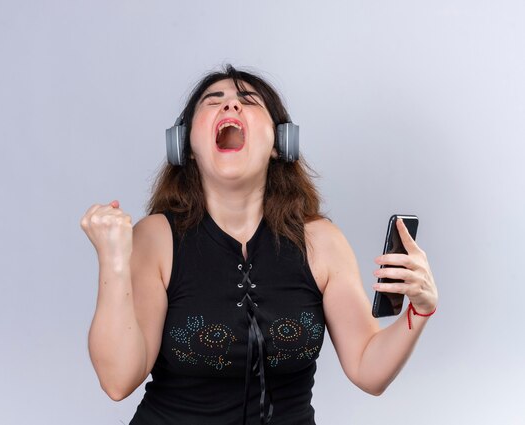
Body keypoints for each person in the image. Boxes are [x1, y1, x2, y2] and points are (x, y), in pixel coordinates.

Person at [80, 65, 438, 425]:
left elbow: (367, 369)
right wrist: (113, 259)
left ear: (280, 143)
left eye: (248, 101)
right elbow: (118, 380)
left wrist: (419, 310)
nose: (231, 107)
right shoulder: (156, 239)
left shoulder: (321, 242)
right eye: (213, 101)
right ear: (185, 145)